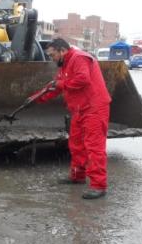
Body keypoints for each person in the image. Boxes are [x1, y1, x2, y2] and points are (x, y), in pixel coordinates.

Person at [28, 37, 111, 199]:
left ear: (62, 50)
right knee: (76, 144)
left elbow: (82, 79)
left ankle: (99, 186)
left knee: (94, 147)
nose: (52, 59)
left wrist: (60, 84)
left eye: (52, 55)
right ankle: (77, 176)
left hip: (94, 108)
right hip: (80, 109)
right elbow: (55, 85)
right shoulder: (65, 65)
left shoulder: (79, 58)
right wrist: (36, 98)